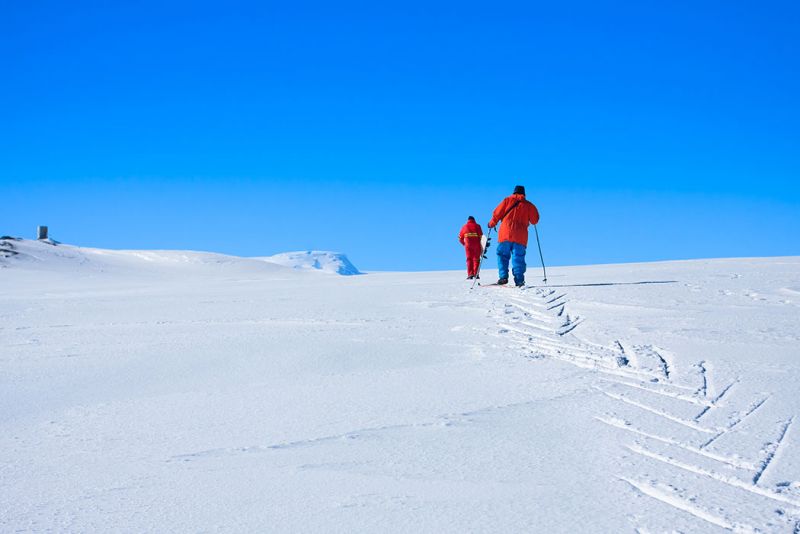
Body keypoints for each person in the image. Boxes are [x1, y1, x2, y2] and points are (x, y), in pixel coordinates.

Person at [487, 185, 540, 287]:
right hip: (520, 236)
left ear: (514, 192)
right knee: (518, 257)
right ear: (524, 194)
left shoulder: (507, 200)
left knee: (502, 255)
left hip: (505, 234)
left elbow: (497, 214)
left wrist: (491, 224)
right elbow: (535, 220)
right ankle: (519, 280)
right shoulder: (529, 205)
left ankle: (503, 277)